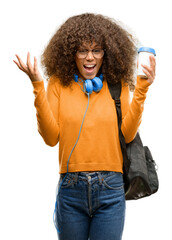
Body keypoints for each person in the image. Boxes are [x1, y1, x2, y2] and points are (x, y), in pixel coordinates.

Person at [13, 13, 156, 240]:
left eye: (96, 50)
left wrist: (142, 90)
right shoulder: (59, 84)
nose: (90, 57)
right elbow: (51, 138)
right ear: (72, 54)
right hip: (71, 190)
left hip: (111, 189)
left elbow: (128, 135)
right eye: (82, 50)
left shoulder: (117, 85)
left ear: (105, 53)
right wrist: (38, 86)